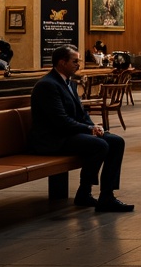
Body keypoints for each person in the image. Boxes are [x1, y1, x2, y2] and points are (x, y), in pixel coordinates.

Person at [28, 45, 133, 212]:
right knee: (100, 145)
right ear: (62, 63)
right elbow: (60, 121)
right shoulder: (47, 85)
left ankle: (107, 195)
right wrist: (88, 130)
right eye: (75, 61)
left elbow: (80, 112)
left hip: (69, 133)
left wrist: (93, 126)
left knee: (116, 141)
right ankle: (84, 192)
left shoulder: (69, 82)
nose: (78, 64)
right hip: (53, 138)